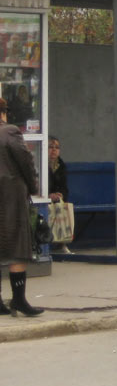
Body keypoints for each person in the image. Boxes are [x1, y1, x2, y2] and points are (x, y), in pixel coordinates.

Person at [0, 97, 44, 316]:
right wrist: (33, 185)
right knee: (16, 246)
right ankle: (18, 300)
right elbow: (25, 161)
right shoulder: (10, 132)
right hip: (9, 197)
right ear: (4, 113)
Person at [48, 135, 73, 254]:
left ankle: (61, 243)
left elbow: (64, 186)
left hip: (57, 199)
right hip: (45, 198)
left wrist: (60, 194)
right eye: (50, 147)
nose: (54, 150)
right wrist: (49, 195)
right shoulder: (39, 163)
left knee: (63, 208)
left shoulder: (61, 165)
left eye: (57, 147)